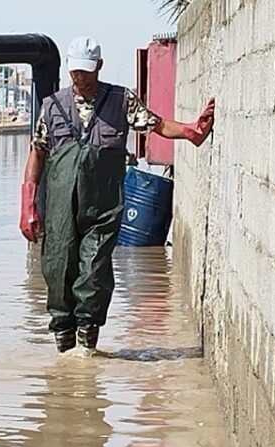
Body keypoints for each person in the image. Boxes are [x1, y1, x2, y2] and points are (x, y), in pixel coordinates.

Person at [19, 36, 215, 354]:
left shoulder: (121, 100)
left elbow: (157, 124)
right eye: (75, 71)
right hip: (60, 208)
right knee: (58, 269)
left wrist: (190, 131)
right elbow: (37, 153)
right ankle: (64, 352)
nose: (80, 78)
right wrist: (28, 204)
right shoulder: (52, 106)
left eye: (86, 71)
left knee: (94, 271)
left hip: (102, 207)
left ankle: (87, 351)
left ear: (99, 66)